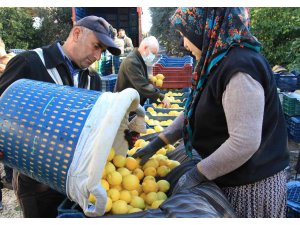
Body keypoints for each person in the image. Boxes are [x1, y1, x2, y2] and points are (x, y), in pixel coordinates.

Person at [132, 7, 289, 218]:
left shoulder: (240, 67)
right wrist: (161, 140)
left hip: (249, 187)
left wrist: (197, 174)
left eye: (184, 35)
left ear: (205, 27)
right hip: (227, 178)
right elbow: (193, 109)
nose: (184, 44)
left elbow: (244, 142)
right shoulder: (216, 61)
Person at [0, 15, 121, 218]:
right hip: (36, 184)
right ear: (76, 33)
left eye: (102, 51)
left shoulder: (93, 79)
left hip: (76, 183)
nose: (98, 56)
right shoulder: (30, 63)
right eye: (96, 46)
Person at [114, 36, 170, 107]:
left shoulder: (139, 59)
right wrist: (161, 96)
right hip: (123, 106)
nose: (153, 57)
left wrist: (149, 79)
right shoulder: (131, 61)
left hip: (130, 103)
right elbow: (142, 85)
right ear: (145, 47)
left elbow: (139, 78)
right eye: (153, 53)